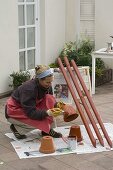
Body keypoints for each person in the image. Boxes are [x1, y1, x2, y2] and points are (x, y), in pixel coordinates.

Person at [5, 65, 64, 139]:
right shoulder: (29, 89)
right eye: (47, 82)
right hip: (13, 110)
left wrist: (58, 106)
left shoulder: (47, 85)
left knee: (50, 98)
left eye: (51, 82)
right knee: (40, 120)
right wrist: (47, 113)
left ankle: (47, 130)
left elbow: (50, 100)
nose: (50, 84)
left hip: (29, 106)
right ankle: (16, 129)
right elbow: (31, 113)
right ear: (39, 79)